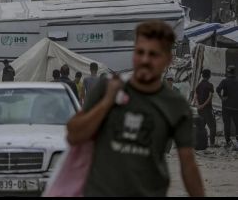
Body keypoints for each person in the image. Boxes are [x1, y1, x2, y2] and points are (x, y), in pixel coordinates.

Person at [65, 20, 204, 197]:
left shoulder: (176, 105)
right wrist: (107, 102)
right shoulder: (106, 88)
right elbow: (74, 135)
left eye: (153, 54)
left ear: (168, 60)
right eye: (140, 52)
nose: (145, 60)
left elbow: (188, 164)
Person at [217, 65, 238, 148]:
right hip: (236, 107)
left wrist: (222, 97)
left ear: (227, 72)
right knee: (237, 124)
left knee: (227, 124)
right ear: (234, 72)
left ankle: (228, 141)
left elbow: (218, 89)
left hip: (226, 107)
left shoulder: (224, 81)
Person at [195, 69, 217, 148]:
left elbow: (196, 96)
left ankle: (200, 143)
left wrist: (198, 105)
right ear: (209, 75)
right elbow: (210, 97)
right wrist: (203, 105)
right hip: (207, 109)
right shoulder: (210, 85)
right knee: (212, 126)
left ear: (202, 75)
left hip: (200, 109)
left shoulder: (199, 85)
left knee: (201, 126)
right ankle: (212, 144)